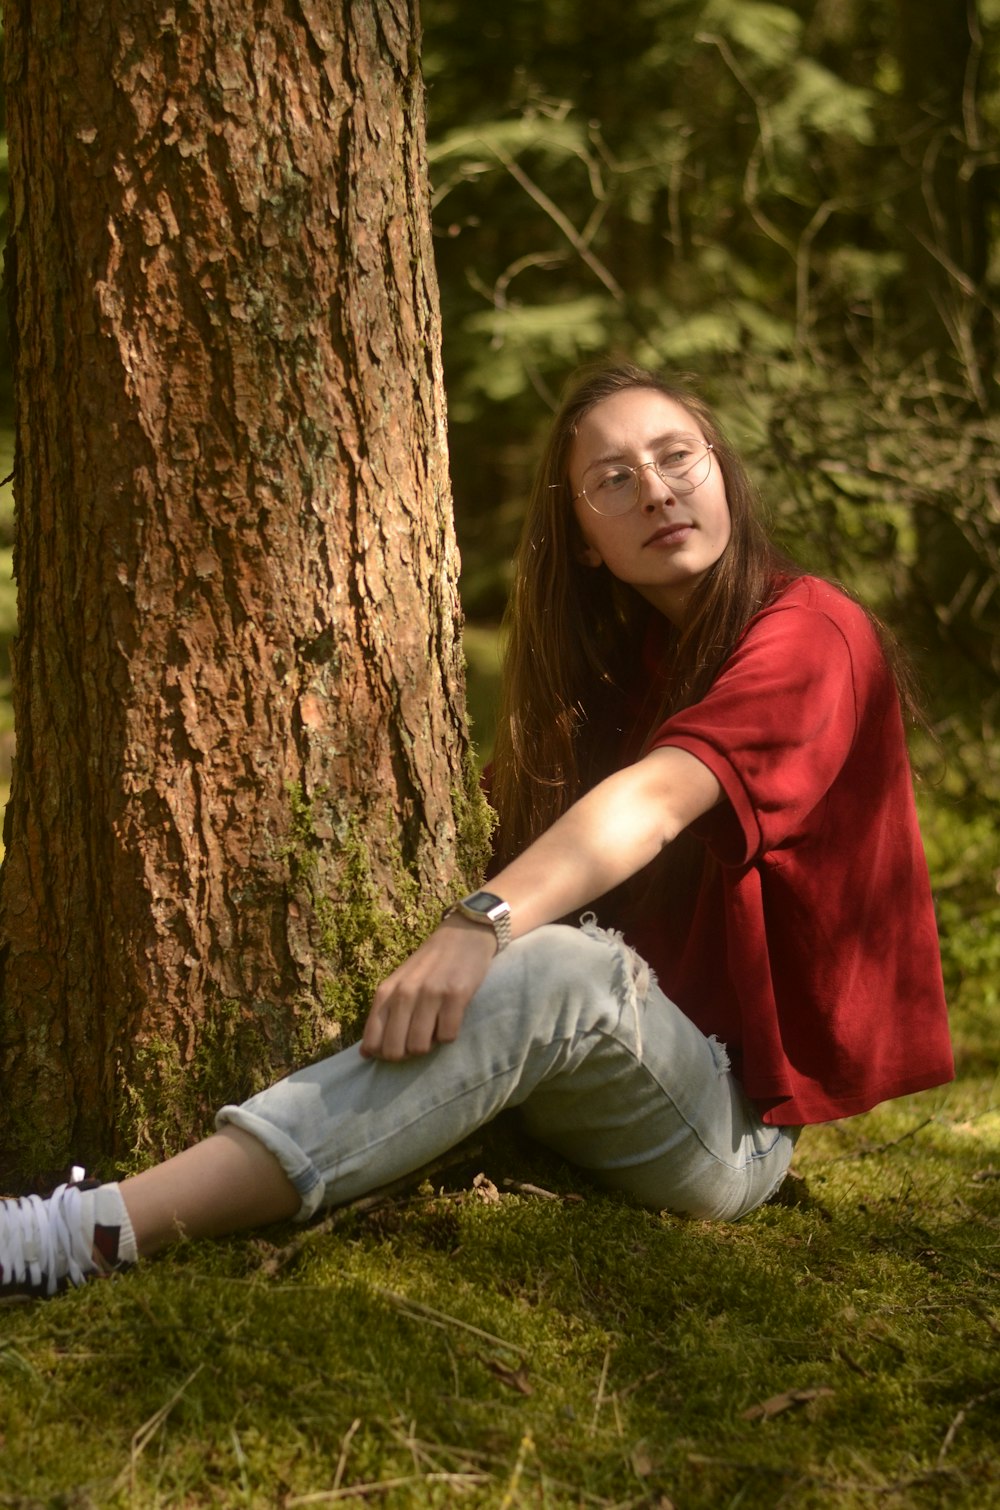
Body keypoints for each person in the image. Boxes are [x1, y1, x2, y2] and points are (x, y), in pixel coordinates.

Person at [0, 362, 954, 1297]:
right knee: (563, 968)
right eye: (613, 480)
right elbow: (500, 827)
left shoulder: (814, 633)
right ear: (581, 536)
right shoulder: (621, 669)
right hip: (607, 1069)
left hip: (726, 1129)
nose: (657, 492)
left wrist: (477, 922)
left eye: (678, 457)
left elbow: (655, 801)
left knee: (563, 969)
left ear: (724, 475)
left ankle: (83, 1233)